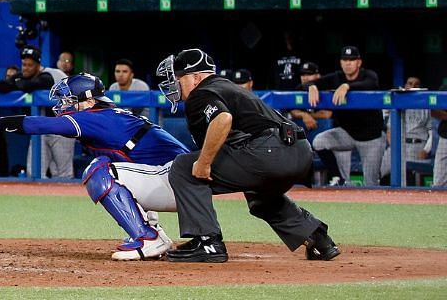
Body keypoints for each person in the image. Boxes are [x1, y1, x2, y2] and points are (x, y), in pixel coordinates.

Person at [0, 73, 188, 259]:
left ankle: (147, 238)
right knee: (112, 165)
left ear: (88, 101)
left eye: (68, 101)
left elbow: (43, 124)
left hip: (179, 181)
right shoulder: (109, 116)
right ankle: (152, 232)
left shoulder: (95, 117)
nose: (62, 106)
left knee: (100, 172)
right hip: (179, 182)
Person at [158, 47, 338, 263]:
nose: (175, 83)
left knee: (185, 168)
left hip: (269, 151)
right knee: (261, 196)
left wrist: (204, 163)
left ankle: (207, 242)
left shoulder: (201, 93)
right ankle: (318, 239)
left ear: (196, 77)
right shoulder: (228, 87)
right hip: (299, 151)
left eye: (179, 78)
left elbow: (222, 119)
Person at [311, 45, 387, 186]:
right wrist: (312, 86)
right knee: (319, 142)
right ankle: (338, 177)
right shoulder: (336, 77)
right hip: (348, 134)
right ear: (341, 62)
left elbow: (370, 83)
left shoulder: (368, 75)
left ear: (359, 62)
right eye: (345, 59)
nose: (348, 63)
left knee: (371, 184)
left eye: (352, 60)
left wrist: (347, 86)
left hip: (372, 139)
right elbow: (306, 84)